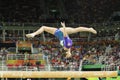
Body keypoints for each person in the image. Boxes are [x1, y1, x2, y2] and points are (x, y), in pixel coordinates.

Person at [26, 22, 97, 58]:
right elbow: (65, 35)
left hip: (58, 33)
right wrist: (64, 27)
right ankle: (89, 29)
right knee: (76, 29)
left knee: (43, 27)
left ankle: (34, 34)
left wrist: (69, 53)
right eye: (65, 50)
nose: (64, 49)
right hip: (63, 31)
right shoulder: (67, 44)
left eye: (65, 50)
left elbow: (68, 49)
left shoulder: (67, 46)